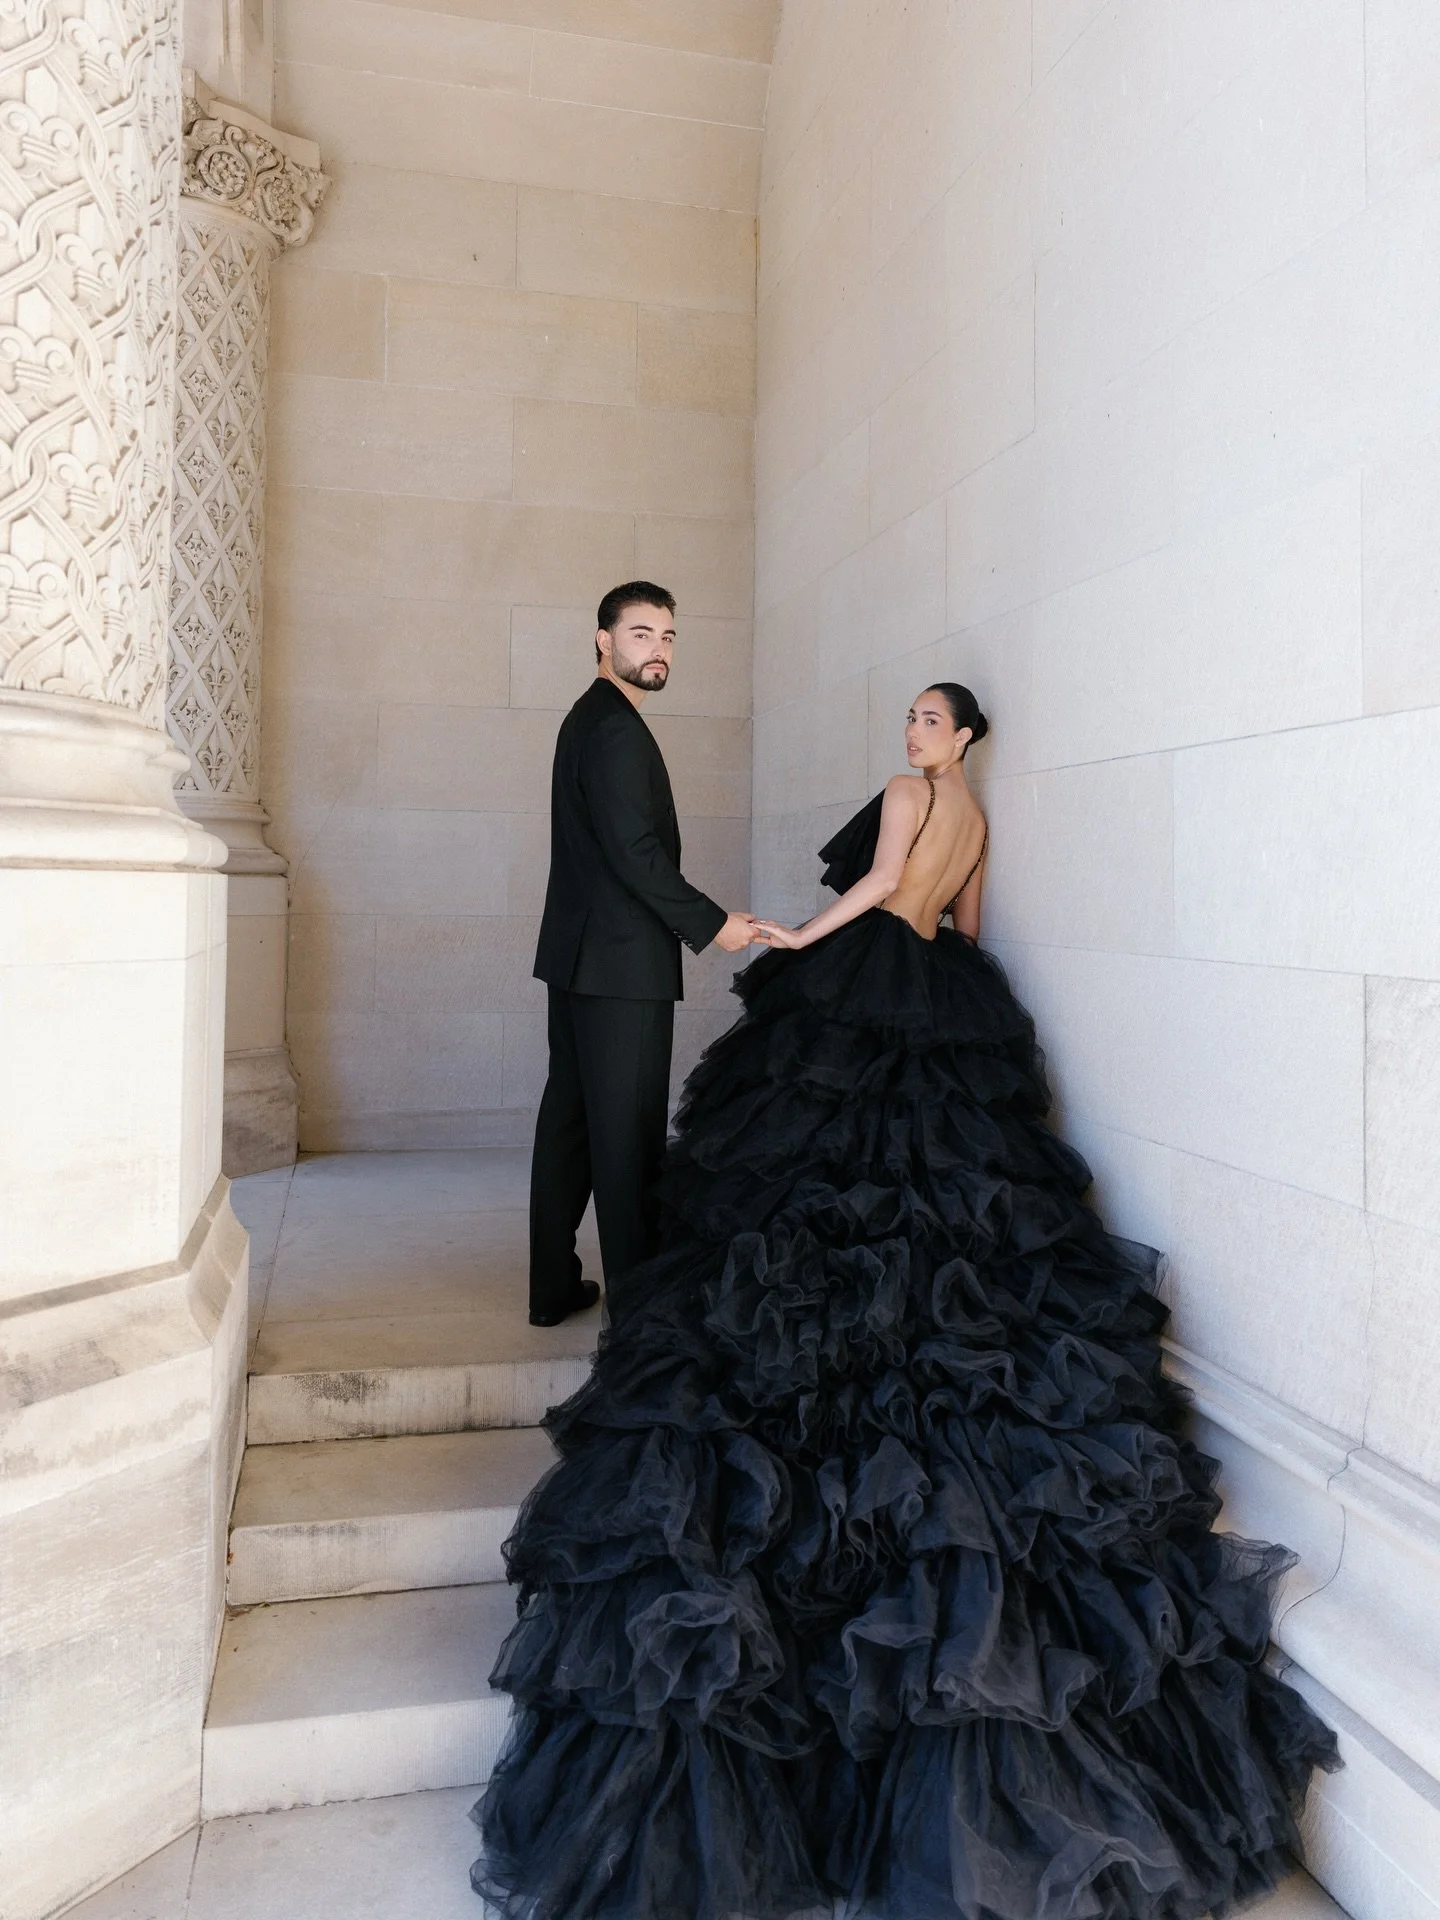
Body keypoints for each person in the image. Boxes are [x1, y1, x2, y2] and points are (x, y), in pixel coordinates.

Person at [477, 684, 1339, 1915]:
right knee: (934, 1220)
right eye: (914, 723)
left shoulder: (911, 799)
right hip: (945, 993)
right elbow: (964, 923)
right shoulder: (979, 821)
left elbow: (883, 890)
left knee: (816, 1203)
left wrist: (798, 940)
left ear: (964, 735)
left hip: (868, 971)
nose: (914, 734)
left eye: (931, 720)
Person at [527, 582, 756, 1328]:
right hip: (620, 965)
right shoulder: (616, 728)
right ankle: (639, 1308)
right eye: (640, 635)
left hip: (580, 958)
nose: (657, 650)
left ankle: (553, 1287)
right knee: (623, 1133)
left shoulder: (590, 719)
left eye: (667, 637)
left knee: (571, 1122)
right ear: (603, 640)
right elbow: (635, 854)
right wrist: (712, 922)